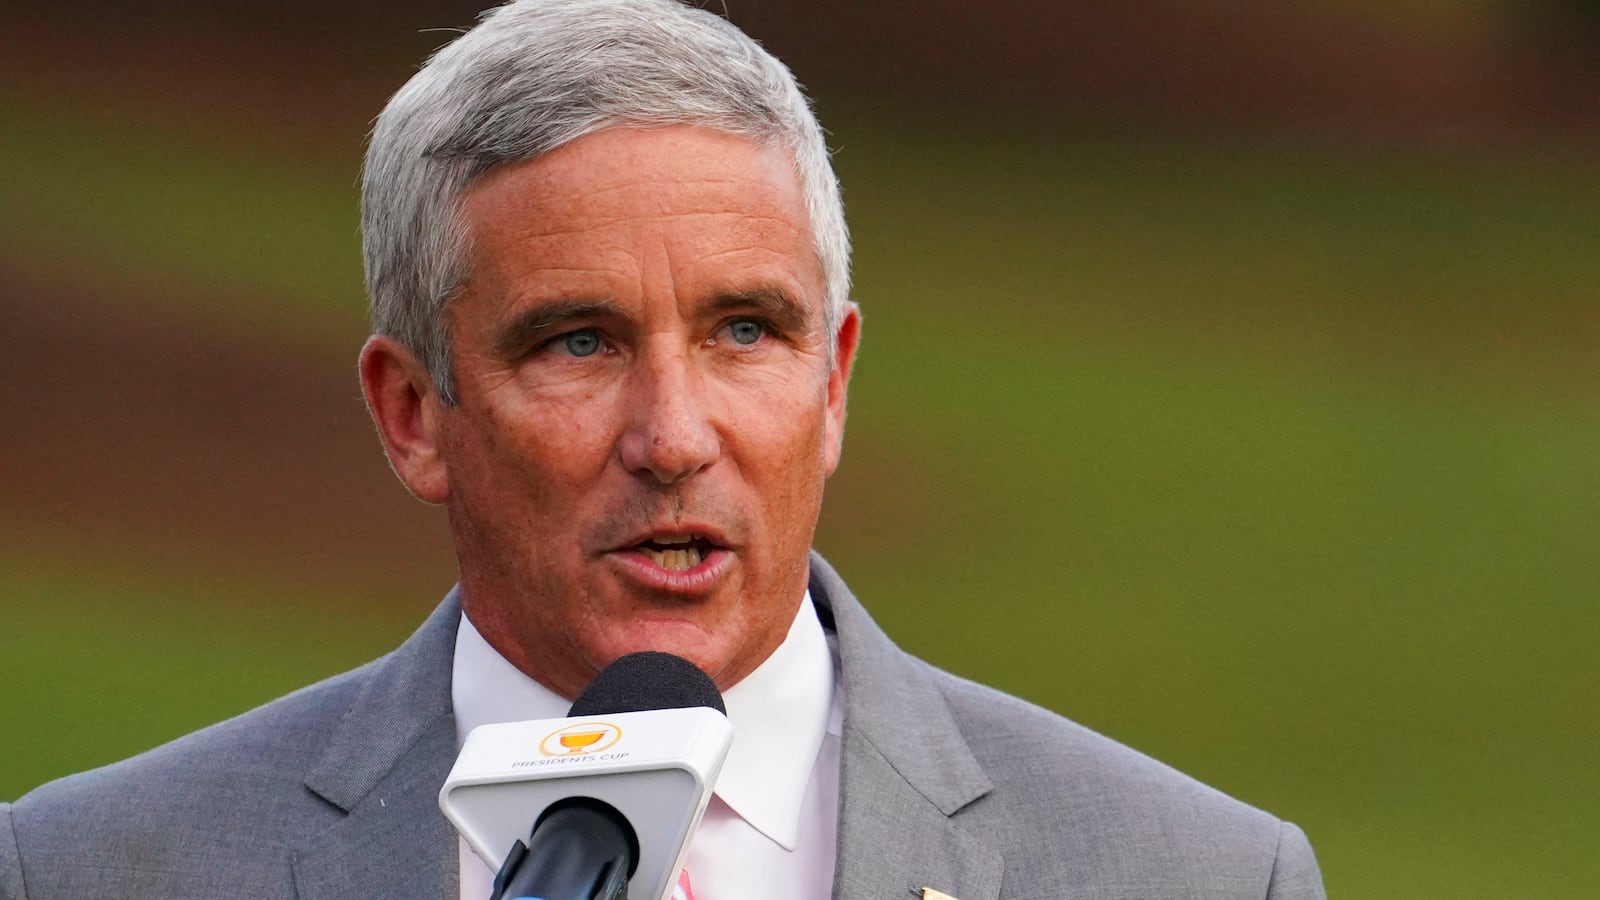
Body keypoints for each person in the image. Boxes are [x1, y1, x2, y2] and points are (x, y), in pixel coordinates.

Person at [0, 1, 1327, 898]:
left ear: (835, 384)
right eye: (576, 343)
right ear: (413, 414)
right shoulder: (87, 870)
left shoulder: (1196, 875)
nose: (674, 438)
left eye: (745, 331)